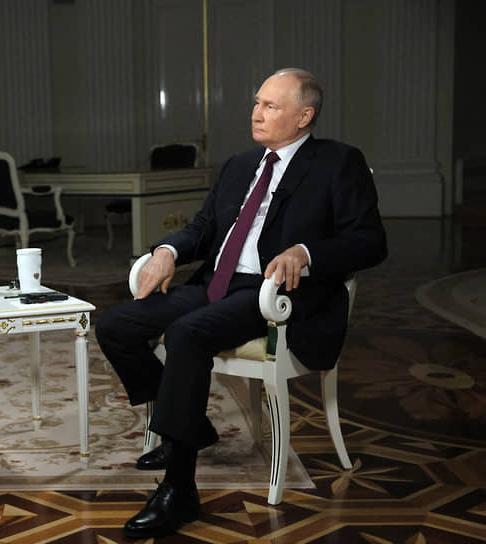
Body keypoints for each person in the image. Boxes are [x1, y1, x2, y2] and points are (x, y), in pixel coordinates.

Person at [95, 68, 387, 538]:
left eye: (270, 106)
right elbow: (204, 227)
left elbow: (370, 241)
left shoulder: (338, 162)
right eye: (256, 103)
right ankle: (190, 426)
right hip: (216, 282)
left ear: (304, 116)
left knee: (186, 334)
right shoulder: (239, 164)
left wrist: (306, 252)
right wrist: (167, 251)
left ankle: (178, 490)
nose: (256, 113)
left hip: (274, 294)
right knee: (115, 326)